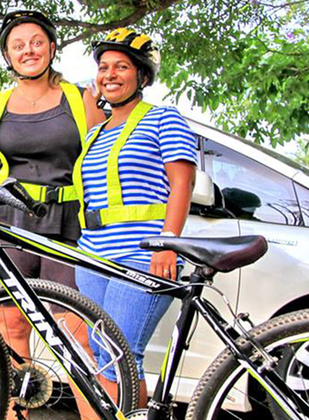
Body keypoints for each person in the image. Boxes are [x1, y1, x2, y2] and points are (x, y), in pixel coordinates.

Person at [0, 9, 104, 419]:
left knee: (74, 333)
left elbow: (106, 159)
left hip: (67, 225)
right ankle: (11, 413)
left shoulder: (80, 98)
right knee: (9, 329)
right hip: (7, 224)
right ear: (6, 54)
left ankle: (96, 412)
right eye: (18, 45)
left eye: (36, 42)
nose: (28, 51)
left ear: (52, 47)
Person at [72, 28, 197, 414]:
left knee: (123, 354)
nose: (109, 74)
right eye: (103, 67)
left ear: (142, 76)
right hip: (93, 256)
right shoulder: (94, 134)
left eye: (121, 67)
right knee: (101, 353)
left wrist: (167, 242)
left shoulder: (164, 119)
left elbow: (183, 183)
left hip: (141, 254)